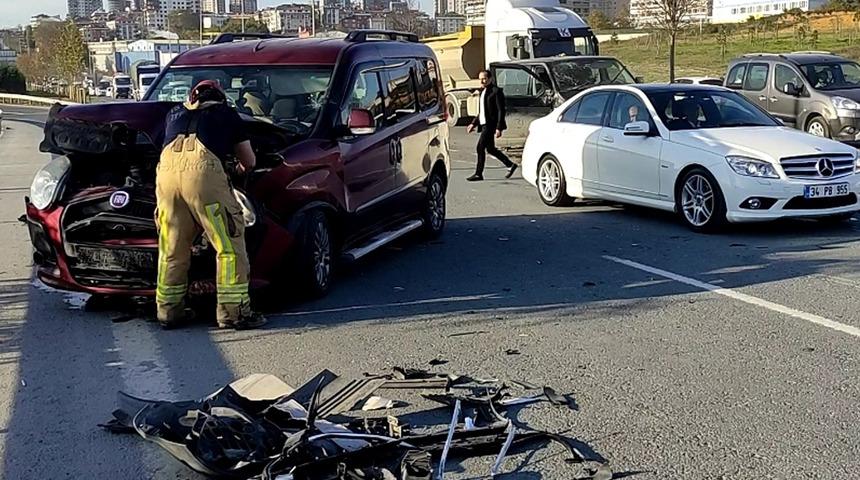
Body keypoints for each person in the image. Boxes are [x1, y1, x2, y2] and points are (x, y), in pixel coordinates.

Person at [155, 80, 266, 330]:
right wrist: (236, 170)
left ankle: (169, 311)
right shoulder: (226, 113)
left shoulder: (174, 113)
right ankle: (233, 313)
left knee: (172, 247)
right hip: (203, 178)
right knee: (228, 246)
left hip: (166, 179)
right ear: (220, 97)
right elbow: (248, 161)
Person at [466, 70, 517, 181]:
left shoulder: (496, 91)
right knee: (490, 149)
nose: (482, 81)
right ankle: (510, 165)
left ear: (490, 79)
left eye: (484, 78)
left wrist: (499, 127)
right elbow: (482, 111)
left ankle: (478, 174)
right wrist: (473, 123)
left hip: (490, 125)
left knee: (480, 147)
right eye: (480, 79)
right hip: (484, 124)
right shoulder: (483, 92)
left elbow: (500, 111)